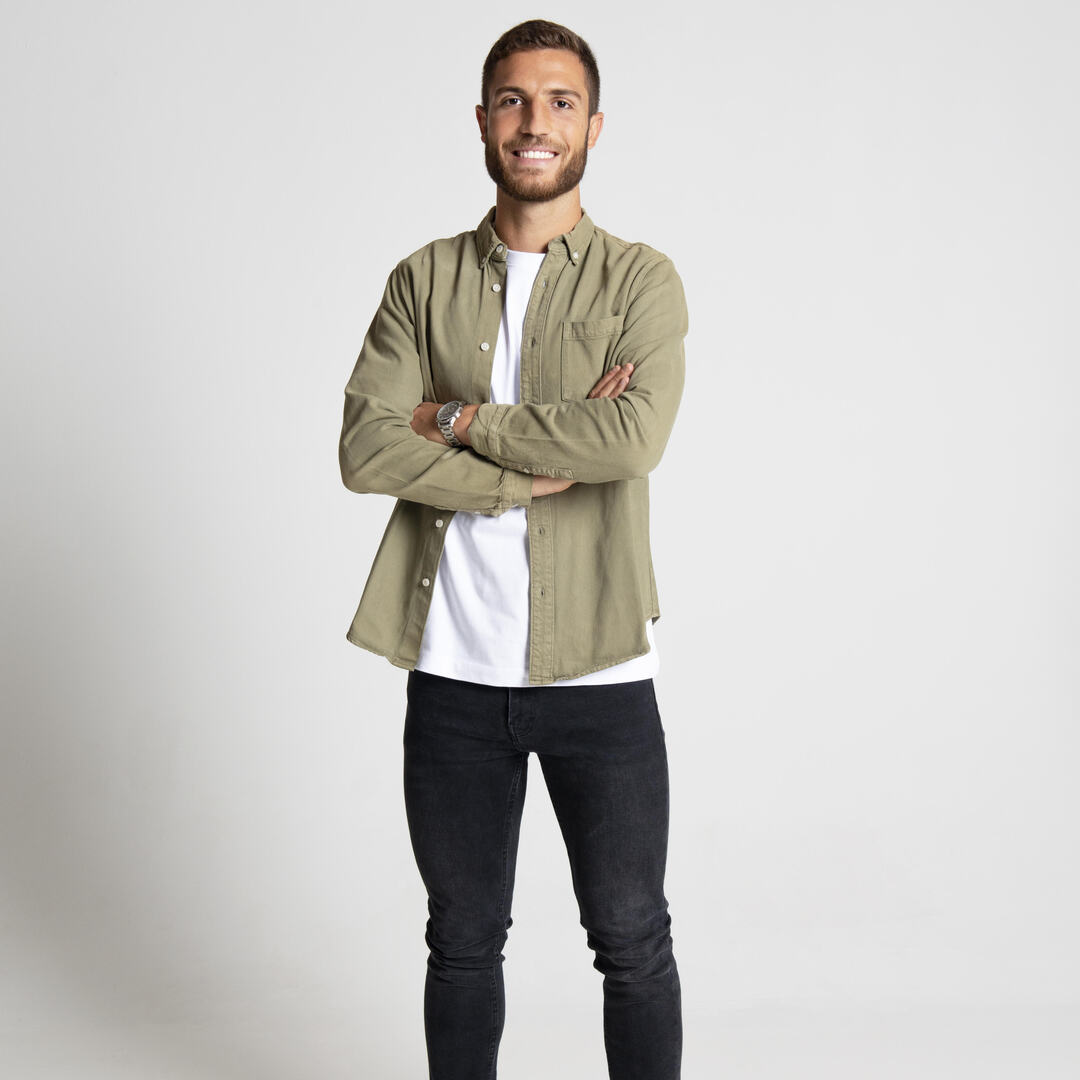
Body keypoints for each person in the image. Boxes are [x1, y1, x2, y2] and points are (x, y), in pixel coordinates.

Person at [338, 18, 688, 1080]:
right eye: (513, 100)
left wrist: (454, 420)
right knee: (460, 941)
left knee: (631, 939)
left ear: (594, 126)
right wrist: (527, 472)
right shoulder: (422, 279)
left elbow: (630, 440)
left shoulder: (640, 281)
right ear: (484, 120)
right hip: (453, 671)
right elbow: (365, 448)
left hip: (599, 673)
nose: (535, 122)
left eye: (559, 101)